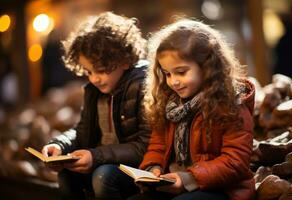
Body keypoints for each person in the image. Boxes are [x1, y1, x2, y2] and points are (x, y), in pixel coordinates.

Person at [128, 19, 255, 200]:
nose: (173, 81)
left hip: (221, 189)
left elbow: (235, 162)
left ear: (207, 67)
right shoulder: (168, 102)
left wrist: (189, 178)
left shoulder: (230, 104)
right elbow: (158, 145)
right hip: (173, 184)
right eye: (167, 73)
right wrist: (153, 168)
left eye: (181, 72)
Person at [42, 12, 150, 200]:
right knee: (67, 174)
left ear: (125, 59)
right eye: (88, 71)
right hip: (102, 160)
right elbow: (82, 129)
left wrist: (96, 156)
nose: (93, 78)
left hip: (135, 169)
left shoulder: (142, 86)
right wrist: (59, 146)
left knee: (103, 176)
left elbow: (144, 146)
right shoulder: (94, 90)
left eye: (100, 70)